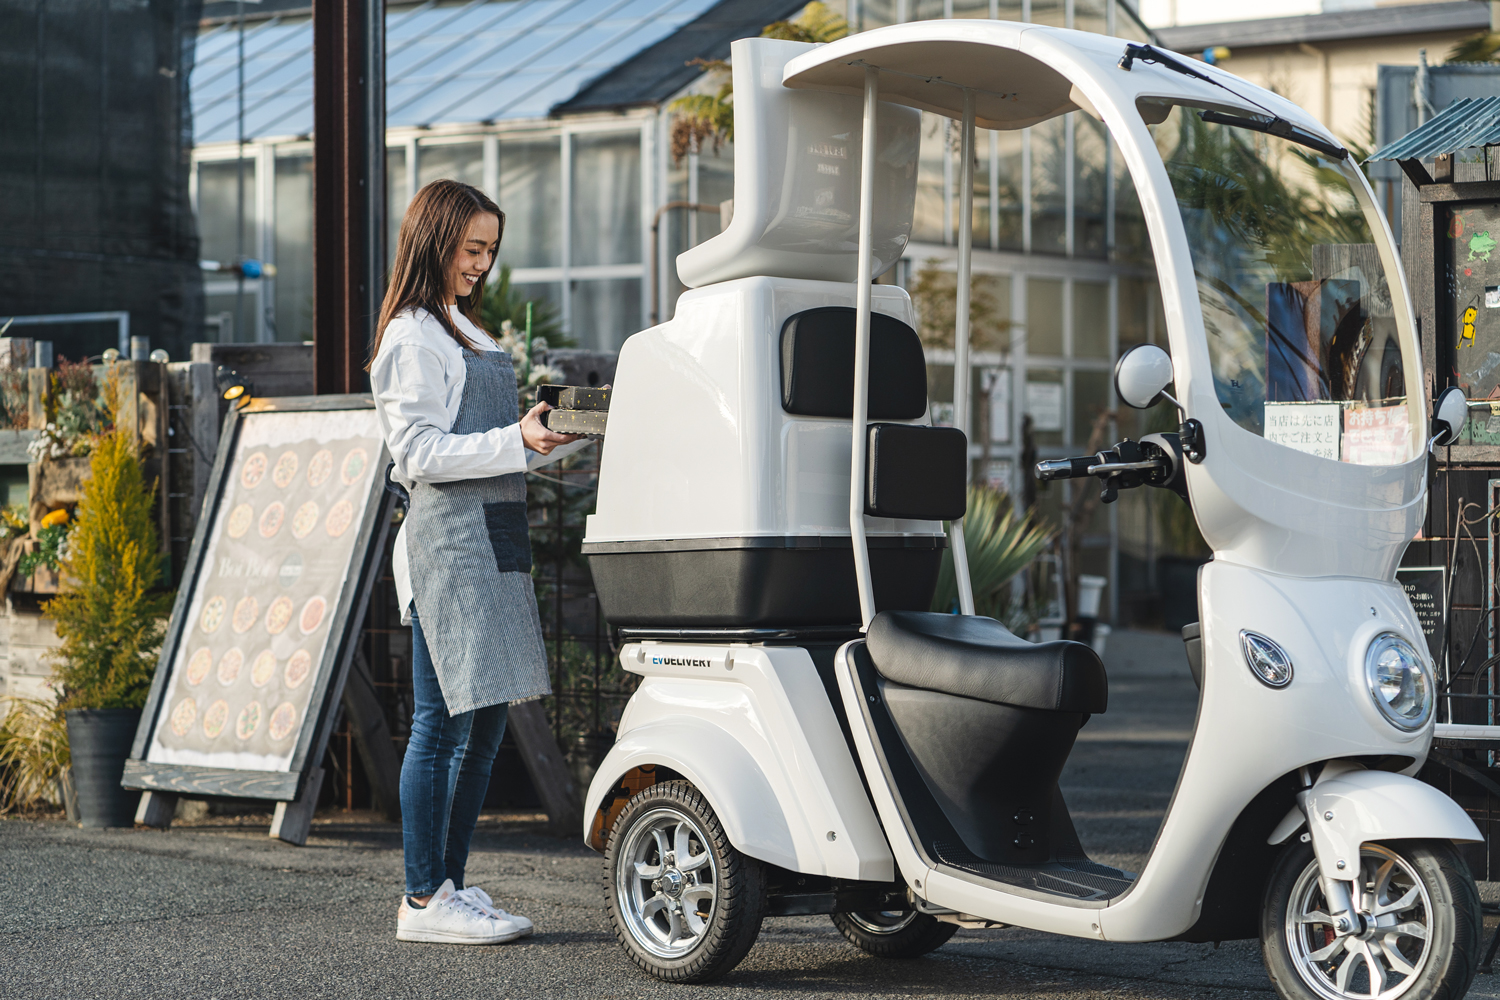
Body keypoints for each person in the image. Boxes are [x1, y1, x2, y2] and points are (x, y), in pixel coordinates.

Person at [368, 179, 578, 945]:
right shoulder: (411, 337)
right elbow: (417, 453)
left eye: (491, 251)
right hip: (447, 546)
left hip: (492, 537)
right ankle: (423, 899)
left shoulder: (462, 327)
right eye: (472, 249)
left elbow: (492, 448)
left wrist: (546, 443)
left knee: (485, 727)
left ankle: (451, 883)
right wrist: (516, 441)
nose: (482, 265)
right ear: (435, 242)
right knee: (440, 726)